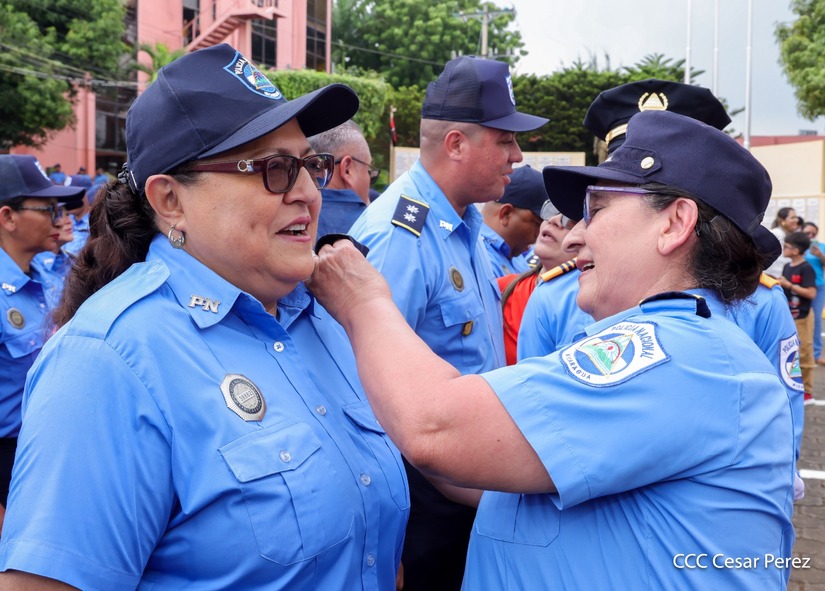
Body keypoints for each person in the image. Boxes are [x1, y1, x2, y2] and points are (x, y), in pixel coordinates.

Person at [308, 109, 795, 589]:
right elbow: (494, 469)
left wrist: (362, 299)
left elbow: (437, 428)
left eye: (597, 210)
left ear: (673, 225)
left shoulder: (675, 354)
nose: (576, 235)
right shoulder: (687, 350)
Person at [0, 43, 408, 590]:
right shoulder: (109, 361)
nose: (310, 192)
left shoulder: (324, 315)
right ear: (170, 200)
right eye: (274, 170)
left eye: (310, 165)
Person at [348, 55, 548, 591]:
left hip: (466, 479)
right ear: (456, 144)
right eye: (504, 140)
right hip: (426, 497)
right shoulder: (401, 236)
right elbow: (363, 387)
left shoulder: (462, 227)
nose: (517, 155)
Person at [0, 154, 85, 523]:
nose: (60, 220)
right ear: (8, 218)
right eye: (49, 210)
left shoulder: (49, 279)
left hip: (49, 449)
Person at [497, 202, 575, 365]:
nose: (553, 220)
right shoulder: (502, 289)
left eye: (570, 218)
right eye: (551, 211)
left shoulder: (588, 306)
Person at [307, 119, 378, 239]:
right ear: (347, 170)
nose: (369, 181)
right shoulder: (375, 227)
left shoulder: (284, 218)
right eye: (369, 171)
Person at [480, 164, 545, 278]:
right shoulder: (478, 256)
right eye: (537, 224)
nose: (540, 233)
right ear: (506, 214)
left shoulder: (515, 257)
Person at [779, 231, 817, 404]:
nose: (783, 248)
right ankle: (794, 387)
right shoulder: (787, 266)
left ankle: (807, 393)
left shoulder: (806, 268)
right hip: (789, 316)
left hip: (803, 316)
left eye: (786, 246)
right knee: (790, 354)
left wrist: (789, 285)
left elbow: (811, 293)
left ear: (795, 250)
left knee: (805, 352)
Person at [802, 220, 825, 365]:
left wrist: (820, 256)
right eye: (807, 233)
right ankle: (800, 351)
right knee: (799, 319)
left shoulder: (821, 247)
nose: (810, 235)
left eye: (813, 233)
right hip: (799, 286)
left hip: (818, 286)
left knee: (816, 320)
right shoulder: (798, 245)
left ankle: (816, 354)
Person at [765, 206, 800, 278]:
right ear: (782, 220)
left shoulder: (789, 235)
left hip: (786, 277)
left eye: (796, 217)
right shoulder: (776, 233)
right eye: (792, 218)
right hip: (774, 277)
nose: (796, 220)